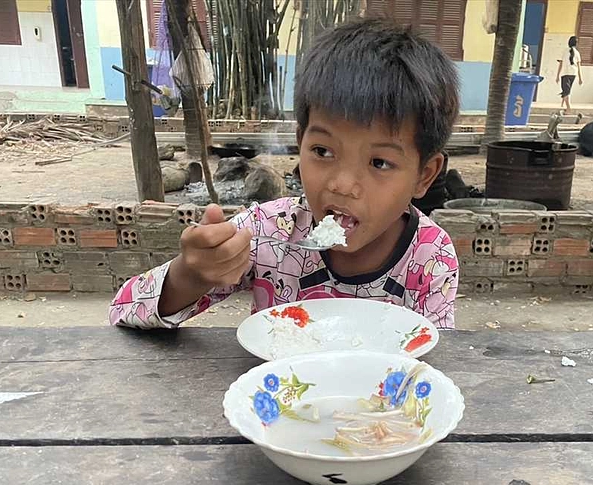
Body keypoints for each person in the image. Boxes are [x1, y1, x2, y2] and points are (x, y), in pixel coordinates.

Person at [109, 19, 460, 330]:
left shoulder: (430, 257)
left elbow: (432, 357)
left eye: (379, 163)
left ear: (423, 176)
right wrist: (191, 273)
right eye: (323, 152)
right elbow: (124, 311)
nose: (342, 185)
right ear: (300, 142)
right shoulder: (265, 234)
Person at [556, 36, 583, 113]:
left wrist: (557, 75)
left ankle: (568, 108)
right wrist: (580, 78)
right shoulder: (577, 53)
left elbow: (560, 64)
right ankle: (564, 105)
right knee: (567, 91)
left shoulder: (564, 51)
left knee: (565, 91)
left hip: (565, 74)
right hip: (573, 74)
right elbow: (579, 66)